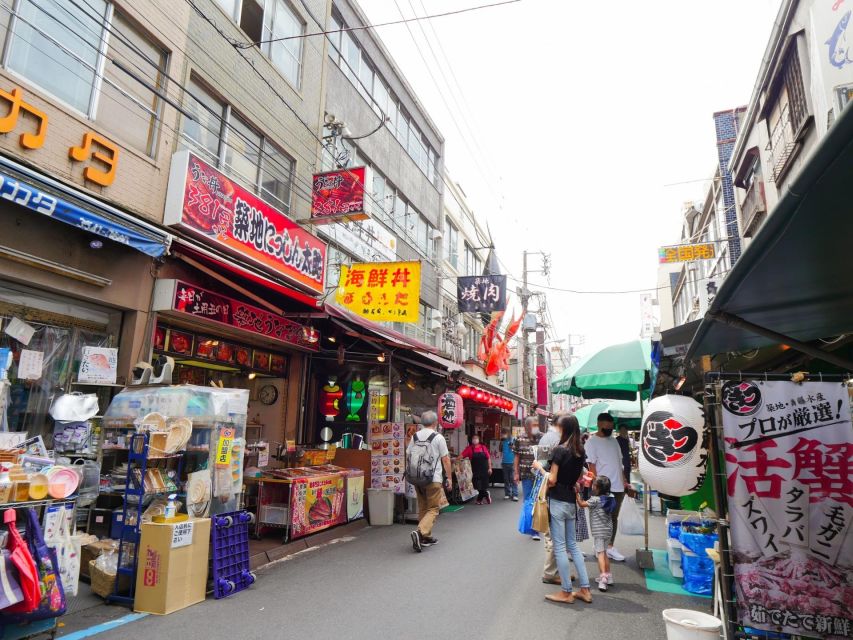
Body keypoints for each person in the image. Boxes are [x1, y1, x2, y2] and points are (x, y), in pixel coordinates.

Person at [532, 414, 592, 604]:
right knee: (572, 546)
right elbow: (578, 478)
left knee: (559, 546)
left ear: (564, 429)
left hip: (558, 500)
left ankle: (566, 591)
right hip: (571, 502)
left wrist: (540, 468)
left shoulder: (560, 450)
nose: (556, 429)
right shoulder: (580, 451)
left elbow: (552, 480)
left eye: (558, 426)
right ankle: (585, 589)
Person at [585, 413, 636, 561]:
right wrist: (597, 488)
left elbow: (619, 464)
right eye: (606, 427)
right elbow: (591, 467)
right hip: (603, 487)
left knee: (613, 518)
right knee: (601, 519)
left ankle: (610, 546)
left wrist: (625, 482)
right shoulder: (591, 442)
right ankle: (600, 547)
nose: (609, 429)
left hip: (619, 486)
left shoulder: (614, 441)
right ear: (599, 424)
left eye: (611, 427)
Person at [408, 411, 452, 553]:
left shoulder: (415, 436)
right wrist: (449, 478)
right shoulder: (438, 437)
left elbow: (408, 453)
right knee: (433, 509)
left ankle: (425, 537)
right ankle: (420, 532)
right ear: (435, 423)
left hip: (417, 477)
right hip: (433, 478)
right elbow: (445, 459)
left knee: (423, 507)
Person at [577, 475, 617, 592]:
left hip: (599, 532)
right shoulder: (610, 498)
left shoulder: (595, 500)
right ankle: (609, 577)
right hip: (608, 530)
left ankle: (603, 578)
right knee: (604, 553)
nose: (592, 486)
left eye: (594, 485)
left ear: (598, 488)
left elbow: (581, 504)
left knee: (600, 554)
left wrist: (577, 494)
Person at [536, 416, 562, 584]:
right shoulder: (552, 438)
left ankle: (554, 570)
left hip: (549, 486)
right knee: (552, 533)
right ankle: (550, 572)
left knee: (552, 534)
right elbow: (541, 465)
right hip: (551, 488)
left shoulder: (549, 437)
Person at [513, 416, 543, 540]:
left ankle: (536, 529)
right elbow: (516, 457)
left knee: (538, 500)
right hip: (526, 475)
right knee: (528, 501)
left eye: (537, 425)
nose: (536, 427)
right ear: (527, 427)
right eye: (533, 425)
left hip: (540, 475)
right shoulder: (519, 439)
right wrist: (516, 473)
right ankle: (531, 528)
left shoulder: (542, 437)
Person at [461, 434, 492, 504]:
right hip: (475, 470)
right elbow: (461, 455)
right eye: (473, 438)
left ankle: (479, 500)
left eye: (476, 438)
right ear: (471, 440)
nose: (475, 440)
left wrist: (490, 468)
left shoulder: (483, 447)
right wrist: (455, 459)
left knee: (483, 484)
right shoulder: (469, 448)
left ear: (479, 440)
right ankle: (486, 494)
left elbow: (488, 458)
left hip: (484, 469)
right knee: (476, 485)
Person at [499, 427, 518, 501]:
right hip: (504, 462)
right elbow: (500, 450)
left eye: (504, 433)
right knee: (506, 479)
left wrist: (512, 447)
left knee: (513, 479)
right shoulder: (502, 441)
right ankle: (507, 494)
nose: (503, 435)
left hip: (512, 462)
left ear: (508, 433)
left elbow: (517, 450)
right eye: (502, 434)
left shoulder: (513, 440)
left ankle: (515, 494)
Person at [616, 425, 634, 490]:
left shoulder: (627, 440)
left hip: (627, 462)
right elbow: (617, 452)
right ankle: (624, 492)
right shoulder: (618, 439)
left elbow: (628, 451)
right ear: (619, 431)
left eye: (625, 430)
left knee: (627, 479)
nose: (623, 431)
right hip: (622, 463)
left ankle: (627, 493)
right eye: (622, 430)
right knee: (623, 479)